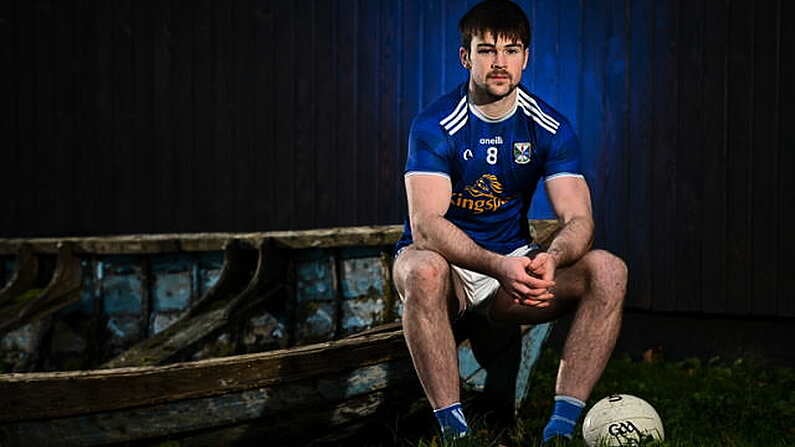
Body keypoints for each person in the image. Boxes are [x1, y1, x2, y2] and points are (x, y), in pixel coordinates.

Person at [392, 0, 627, 444]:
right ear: (466, 57)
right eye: (486, 50)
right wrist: (495, 265)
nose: (500, 62)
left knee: (609, 270)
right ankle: (455, 432)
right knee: (420, 268)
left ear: (526, 57)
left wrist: (553, 257)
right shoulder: (435, 124)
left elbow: (578, 217)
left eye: (511, 50)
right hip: (448, 269)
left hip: (511, 270)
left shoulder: (550, 126)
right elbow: (425, 225)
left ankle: (559, 429)